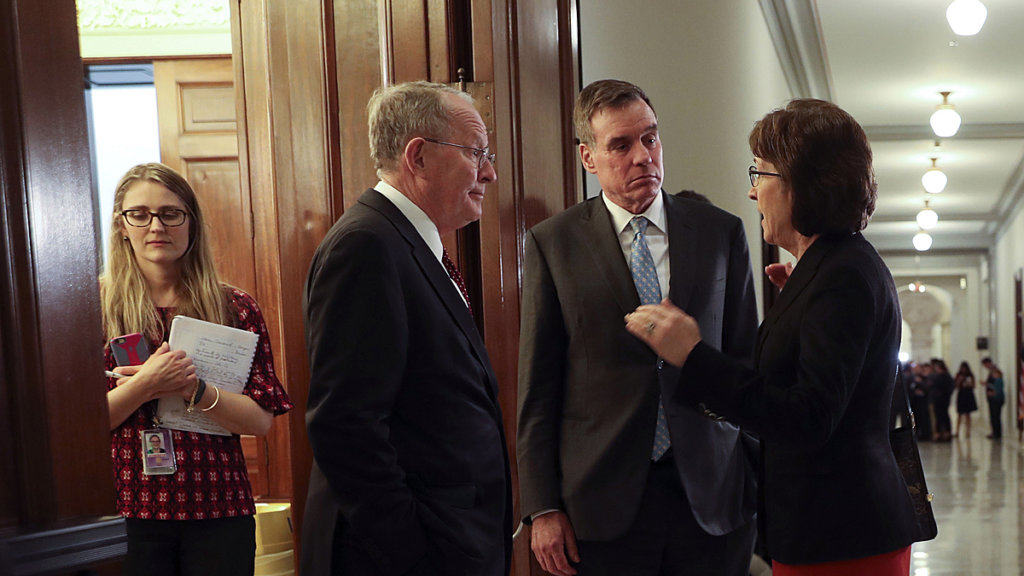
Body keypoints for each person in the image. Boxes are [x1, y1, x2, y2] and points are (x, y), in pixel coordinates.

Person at [624, 99, 920, 575]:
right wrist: (802, 303)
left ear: (801, 182)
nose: (752, 190)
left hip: (841, 534)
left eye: (760, 173)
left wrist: (694, 356)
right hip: (829, 528)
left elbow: (806, 418)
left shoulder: (841, 276)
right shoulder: (831, 268)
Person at [517, 79, 759, 576]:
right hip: (600, 504)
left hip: (711, 499)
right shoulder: (553, 243)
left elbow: (744, 363)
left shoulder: (720, 232)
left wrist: (755, 478)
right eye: (621, 145)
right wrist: (542, 507)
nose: (643, 156)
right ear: (588, 157)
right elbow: (538, 388)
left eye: (650, 138)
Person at [301, 81, 511, 576]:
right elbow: (345, 426)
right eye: (475, 153)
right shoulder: (366, 247)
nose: (489, 172)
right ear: (418, 157)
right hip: (403, 556)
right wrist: (412, 552)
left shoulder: (405, 241)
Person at [101, 162, 293, 576]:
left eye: (171, 214)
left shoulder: (234, 308)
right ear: (121, 225)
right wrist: (148, 384)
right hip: (125, 511)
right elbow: (77, 428)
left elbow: (260, 421)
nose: (156, 226)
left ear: (191, 222)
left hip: (218, 509)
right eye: (140, 214)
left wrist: (194, 389)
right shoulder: (89, 309)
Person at [929, 358, 955, 442]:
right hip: (940, 400)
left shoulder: (944, 376)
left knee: (942, 416)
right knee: (941, 417)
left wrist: (942, 394)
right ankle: (942, 433)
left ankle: (943, 433)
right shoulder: (941, 376)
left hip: (942, 400)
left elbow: (948, 388)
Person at [981, 357, 1005, 439]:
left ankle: (997, 433)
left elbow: (997, 388)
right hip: (992, 398)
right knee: (993, 416)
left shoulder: (996, 374)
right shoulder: (991, 372)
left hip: (996, 399)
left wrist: (992, 391)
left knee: (996, 416)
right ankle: (994, 432)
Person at [953, 361, 978, 438]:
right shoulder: (958, 375)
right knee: (959, 414)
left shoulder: (970, 375)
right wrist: (960, 380)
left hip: (968, 394)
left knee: (968, 414)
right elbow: (956, 385)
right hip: (961, 394)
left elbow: (974, 385)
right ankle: (957, 431)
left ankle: (968, 431)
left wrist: (969, 384)